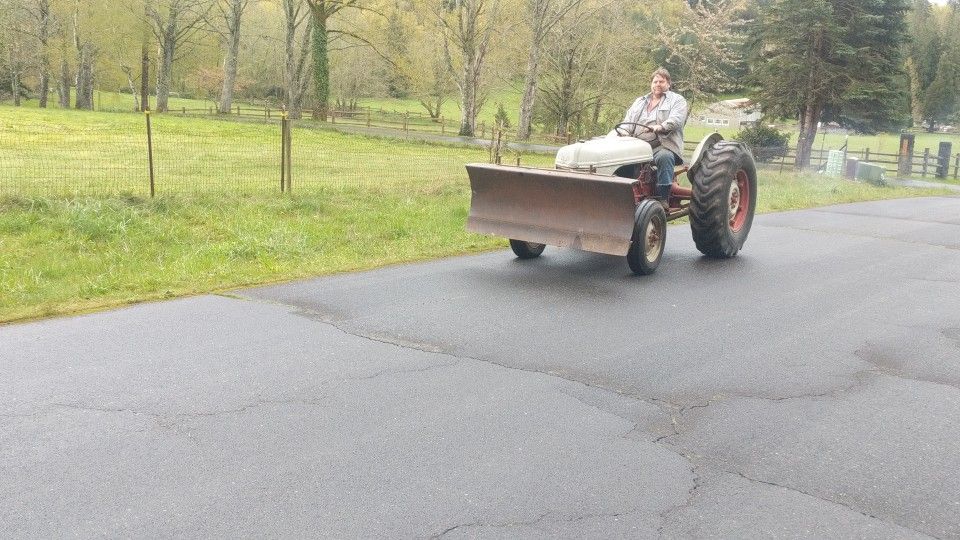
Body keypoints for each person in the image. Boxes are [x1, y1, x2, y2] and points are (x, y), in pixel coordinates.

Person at [616, 68, 688, 207]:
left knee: (664, 157)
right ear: (651, 84)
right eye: (655, 81)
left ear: (668, 83)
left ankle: (663, 197)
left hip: (663, 144)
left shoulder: (677, 100)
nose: (658, 84)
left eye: (662, 81)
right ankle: (622, 194)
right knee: (618, 157)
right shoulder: (640, 101)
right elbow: (627, 121)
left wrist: (661, 126)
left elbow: (677, 119)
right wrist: (623, 132)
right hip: (637, 145)